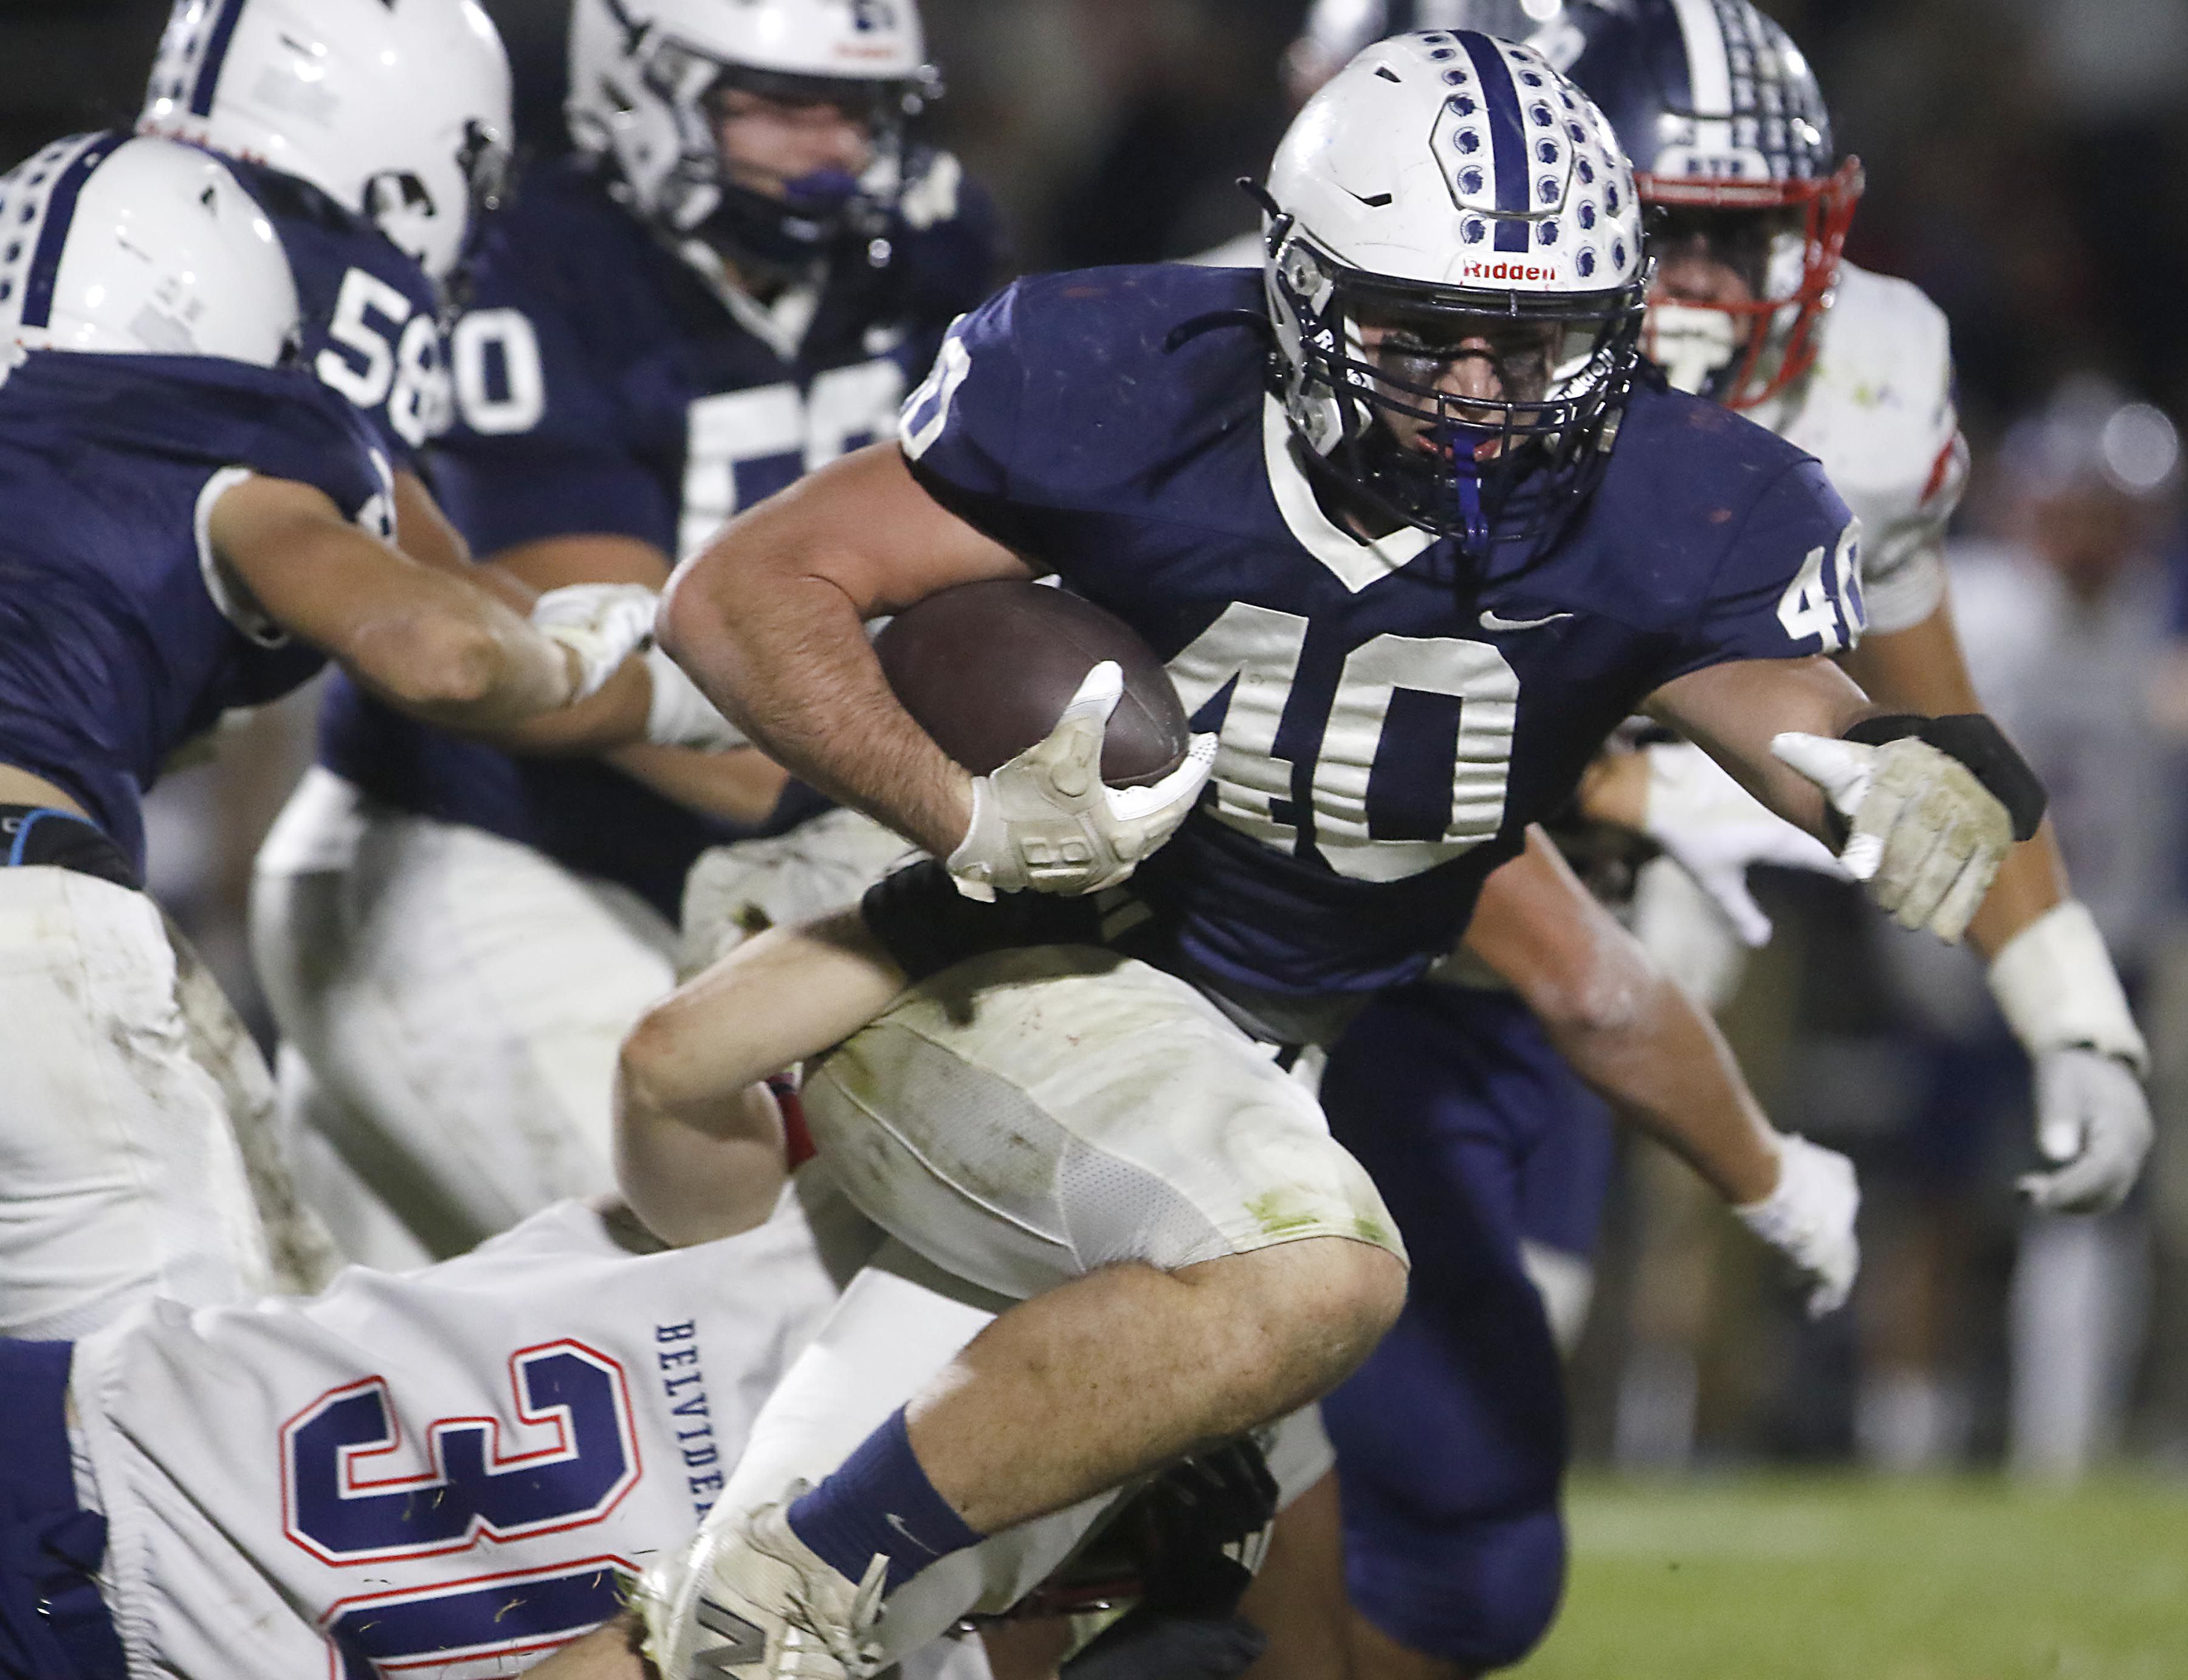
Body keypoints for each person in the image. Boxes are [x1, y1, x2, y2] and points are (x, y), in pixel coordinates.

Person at [627, 30, 2042, 1680]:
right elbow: (743, 592)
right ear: (1295, 286)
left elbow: (1775, 696)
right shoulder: (1129, 380)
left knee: (794, 1630)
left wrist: (1874, 772)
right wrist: (963, 810)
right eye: (1421, 329)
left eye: (1527, 343)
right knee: (1295, 1300)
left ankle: (779, 1584)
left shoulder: (1688, 494)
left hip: (1212, 1076)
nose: (1470, 388)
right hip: (997, 965)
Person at [247, 0, 1003, 1264]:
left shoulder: (929, 249)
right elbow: (587, 671)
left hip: (728, 869)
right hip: (482, 865)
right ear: (642, 86)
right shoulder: (531, 264)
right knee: (711, 1305)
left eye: (857, 109)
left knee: (408, 1393)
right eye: (776, 103)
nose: (828, 148)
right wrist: (913, 775)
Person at [0, 128, 716, 1344]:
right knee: (186, 1443)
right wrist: (589, 649)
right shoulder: (209, 429)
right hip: (25, 905)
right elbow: (444, 652)